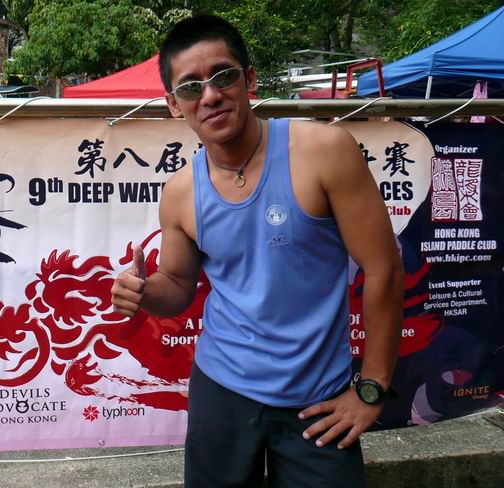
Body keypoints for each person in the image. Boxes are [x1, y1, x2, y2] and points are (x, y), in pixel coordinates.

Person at [110, 15, 404, 488]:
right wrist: (143, 292)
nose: (210, 95)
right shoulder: (181, 192)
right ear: (174, 104)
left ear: (249, 79)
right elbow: (178, 285)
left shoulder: (323, 150)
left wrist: (372, 389)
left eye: (223, 76)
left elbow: (384, 268)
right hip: (222, 391)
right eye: (191, 87)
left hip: (318, 398)